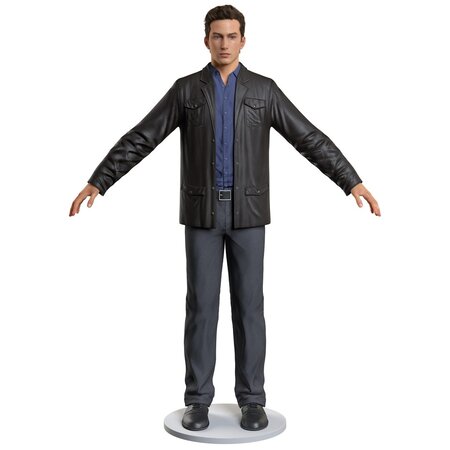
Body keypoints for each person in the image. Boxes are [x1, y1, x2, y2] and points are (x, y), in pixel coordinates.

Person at [69, 4, 380, 432]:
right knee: (201, 308)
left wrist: (351, 180)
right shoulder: (186, 90)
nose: (224, 44)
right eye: (217, 36)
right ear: (206, 41)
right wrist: (99, 180)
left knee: (250, 308)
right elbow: (143, 136)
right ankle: (197, 400)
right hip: (202, 214)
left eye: (232, 36)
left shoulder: (264, 90)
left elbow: (308, 137)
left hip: (249, 215)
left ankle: (252, 401)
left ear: (243, 40)